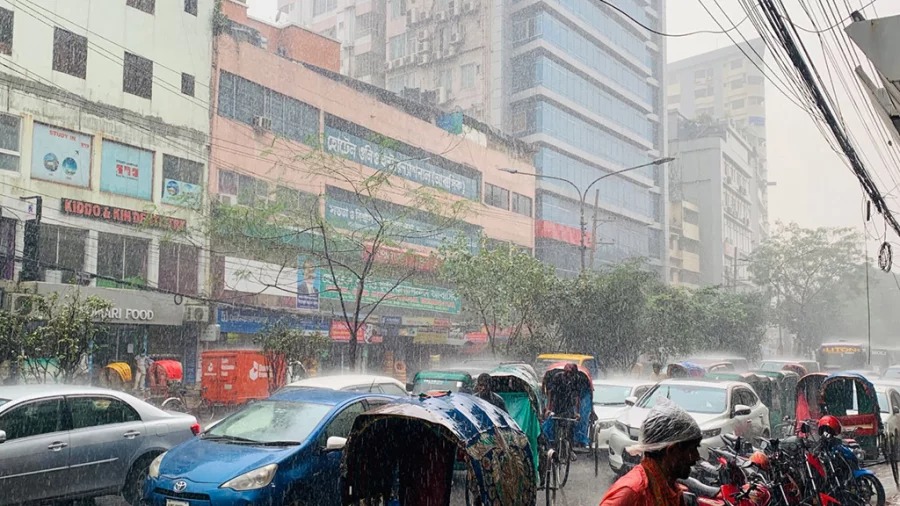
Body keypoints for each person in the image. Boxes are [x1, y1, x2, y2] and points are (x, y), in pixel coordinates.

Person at [599, 398, 702, 506]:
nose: (697, 457)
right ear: (671, 451)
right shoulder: (632, 492)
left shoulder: (671, 488)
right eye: (692, 450)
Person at [546, 363, 584, 455]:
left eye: (571, 373)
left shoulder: (576, 379)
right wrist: (548, 408)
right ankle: (555, 447)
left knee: (570, 427)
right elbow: (551, 394)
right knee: (556, 427)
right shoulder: (558, 377)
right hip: (557, 405)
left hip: (569, 406)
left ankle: (570, 449)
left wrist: (577, 412)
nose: (569, 375)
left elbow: (577, 397)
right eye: (567, 372)